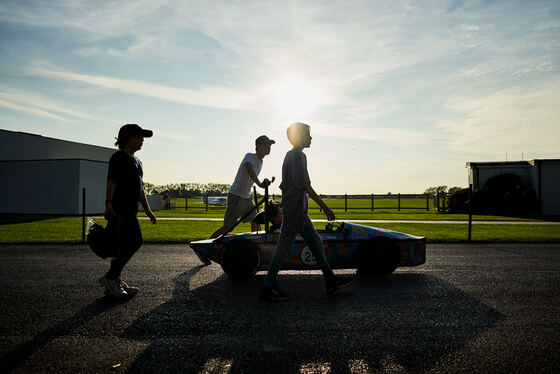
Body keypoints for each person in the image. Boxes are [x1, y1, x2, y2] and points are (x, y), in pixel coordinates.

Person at [260, 122, 354, 301]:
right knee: (283, 249)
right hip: (296, 212)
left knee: (316, 244)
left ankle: (331, 280)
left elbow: (286, 184)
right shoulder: (298, 156)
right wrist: (325, 207)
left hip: (299, 211)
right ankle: (268, 286)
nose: (311, 138)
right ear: (300, 137)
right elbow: (305, 186)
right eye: (308, 135)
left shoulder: (290, 155)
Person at [99, 124, 157, 298]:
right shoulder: (118, 158)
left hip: (131, 210)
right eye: (138, 136)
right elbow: (112, 182)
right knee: (134, 242)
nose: (142, 140)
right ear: (126, 138)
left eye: (143, 137)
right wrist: (108, 203)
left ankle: (113, 280)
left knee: (125, 245)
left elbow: (141, 189)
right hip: (120, 209)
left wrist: (148, 211)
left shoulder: (137, 161)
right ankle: (111, 278)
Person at [209, 135, 275, 239]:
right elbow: (250, 169)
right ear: (258, 146)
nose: (269, 148)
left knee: (256, 222)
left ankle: (254, 246)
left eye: (270, 145)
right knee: (228, 228)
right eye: (267, 145)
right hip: (237, 195)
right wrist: (259, 184)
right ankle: (208, 244)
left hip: (247, 197)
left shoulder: (261, 161)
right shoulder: (250, 156)